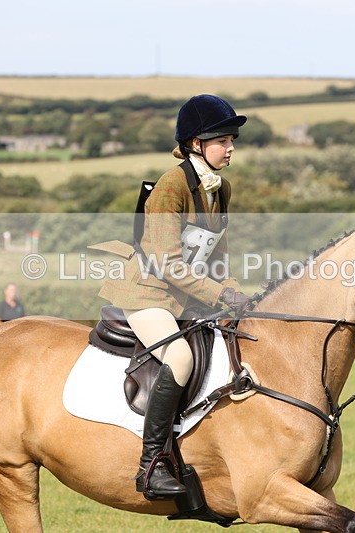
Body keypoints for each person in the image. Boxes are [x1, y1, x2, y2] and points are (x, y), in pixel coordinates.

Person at [97, 94, 252, 499]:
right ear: (195, 144)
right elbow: (167, 262)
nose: (231, 147)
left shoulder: (221, 188)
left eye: (232, 139)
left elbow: (218, 253)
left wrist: (238, 291)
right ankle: (152, 465)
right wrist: (221, 292)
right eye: (223, 140)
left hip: (185, 295)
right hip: (146, 292)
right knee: (180, 356)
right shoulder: (171, 185)